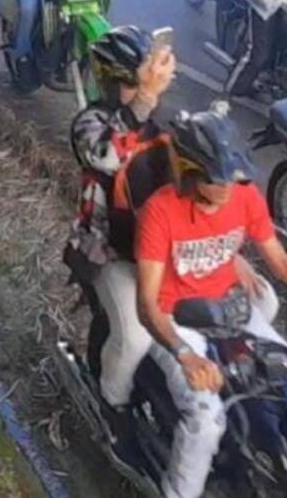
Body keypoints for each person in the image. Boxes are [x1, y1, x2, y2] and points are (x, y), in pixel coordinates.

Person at [135, 102, 287, 498]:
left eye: (233, 179)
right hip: (177, 323)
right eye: (217, 180)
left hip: (233, 311)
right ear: (189, 171)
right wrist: (185, 355)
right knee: (206, 418)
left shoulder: (244, 197)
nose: (228, 189)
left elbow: (281, 263)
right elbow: (147, 303)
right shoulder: (159, 212)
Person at [66, 27, 179, 441]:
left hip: (163, 248)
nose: (145, 92)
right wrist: (144, 102)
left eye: (147, 82)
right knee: (132, 336)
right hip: (109, 251)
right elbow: (107, 157)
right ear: (111, 84)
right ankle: (112, 406)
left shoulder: (162, 120)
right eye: (134, 84)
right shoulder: (90, 123)